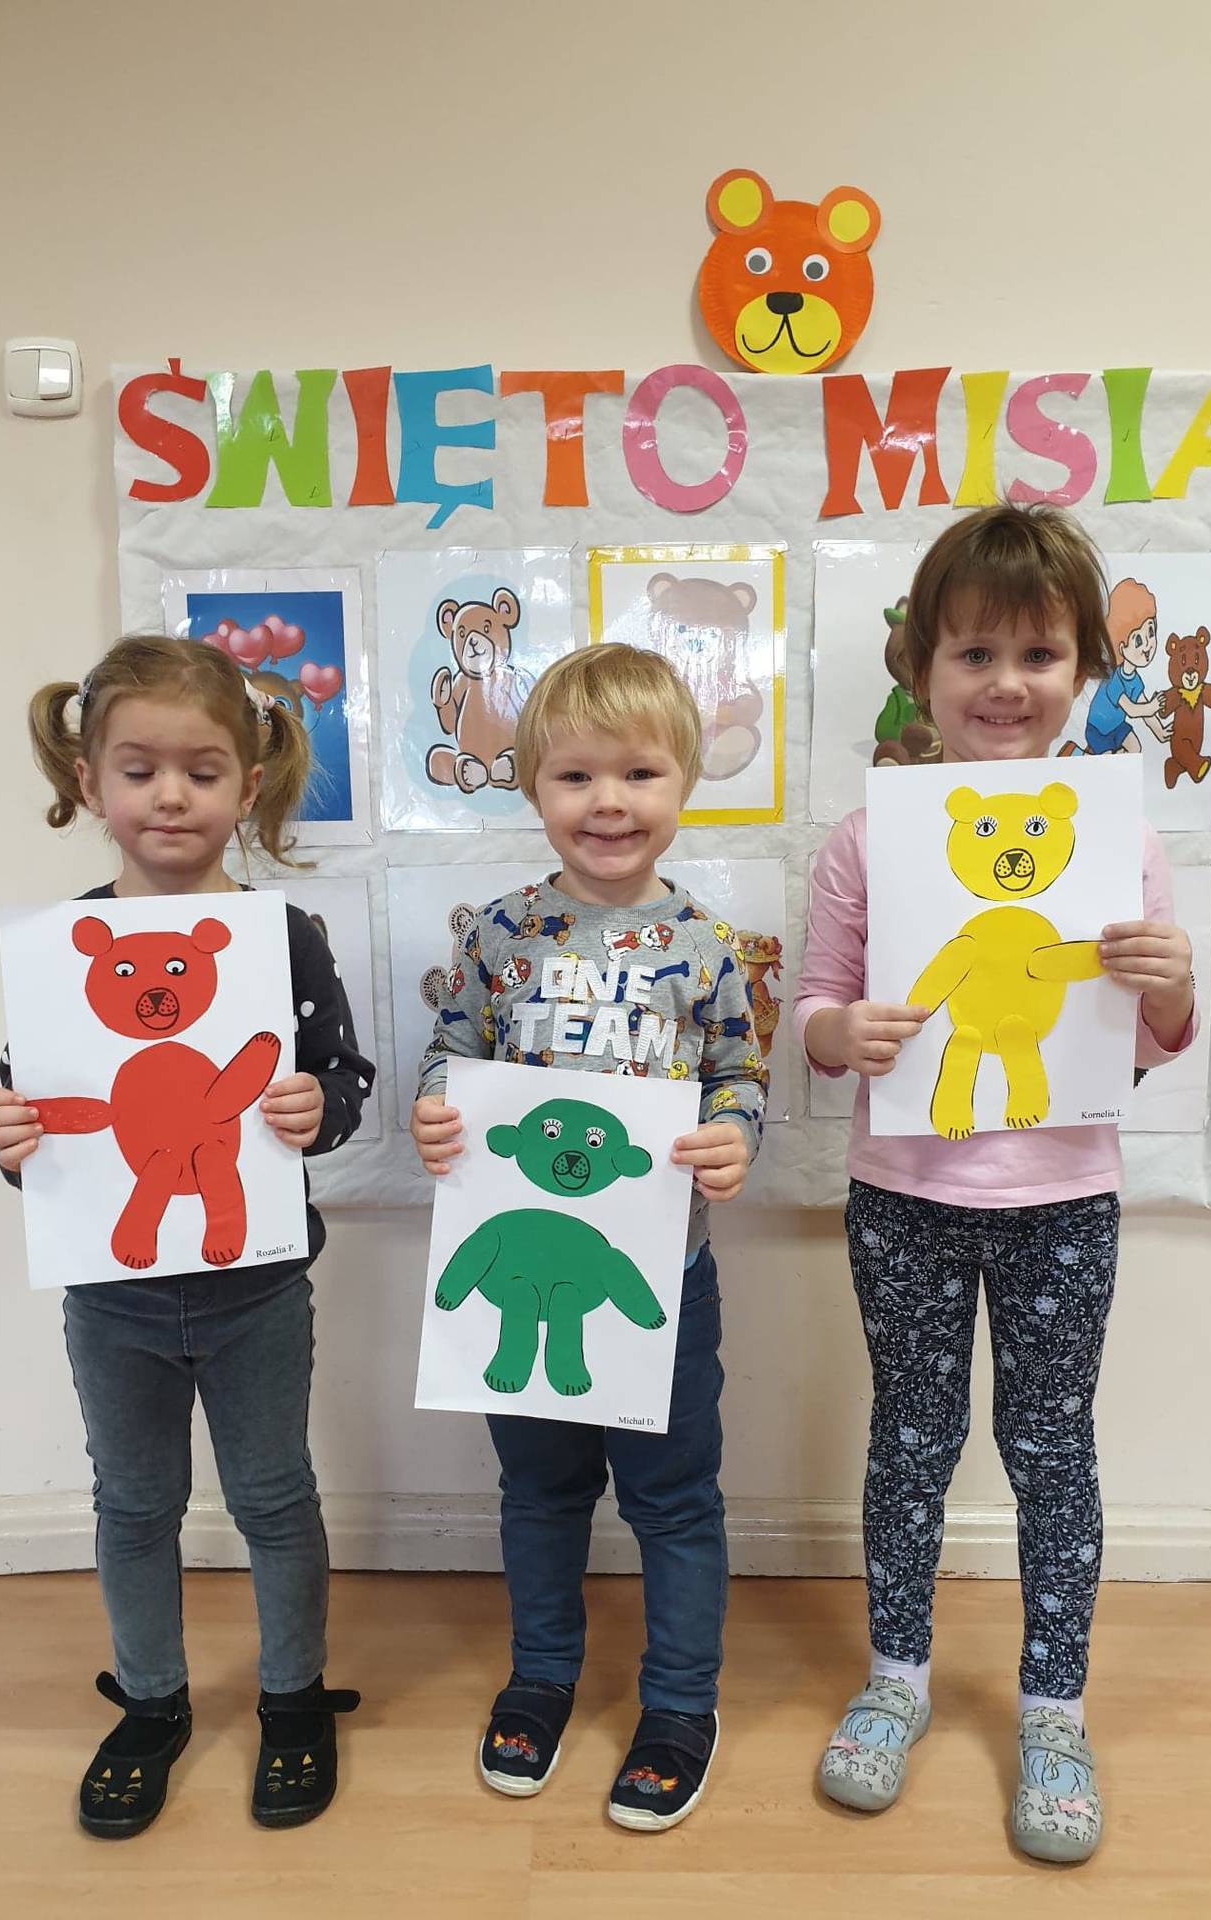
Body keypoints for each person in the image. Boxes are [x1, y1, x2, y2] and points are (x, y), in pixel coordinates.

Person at [796, 506, 1195, 1864]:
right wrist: (837, 1033)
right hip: (902, 1192)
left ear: (1083, 668)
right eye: (974, 652)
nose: (1006, 682)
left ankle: (1053, 1708)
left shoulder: (1119, 841)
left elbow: (1146, 1042)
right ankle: (896, 1677)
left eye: (1038, 653)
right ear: (920, 667)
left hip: (1062, 1195)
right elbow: (816, 1009)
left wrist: (1170, 986)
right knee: (911, 1437)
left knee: (1050, 1448)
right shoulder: (866, 840)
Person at [0, 636, 374, 1838]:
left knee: (273, 1496)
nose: (169, 796)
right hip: (113, 1296)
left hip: (257, 1287)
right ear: (89, 781)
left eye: (201, 772)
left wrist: (314, 1109)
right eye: (139, 769)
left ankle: (292, 1697)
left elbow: (344, 1079)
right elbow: (41, 1115)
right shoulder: (59, 951)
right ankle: (151, 1701)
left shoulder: (281, 937)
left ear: (245, 787)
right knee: (135, 1504)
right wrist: (15, 1139)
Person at [410, 643, 767, 1832]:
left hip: (661, 1278)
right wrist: (435, 1113)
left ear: (683, 784)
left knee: (674, 1500)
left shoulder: (708, 945)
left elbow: (738, 1076)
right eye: (574, 777)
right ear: (531, 786)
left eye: (638, 773)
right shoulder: (496, 934)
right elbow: (449, 1056)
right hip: (519, 1277)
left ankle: (679, 1702)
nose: (607, 801)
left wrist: (733, 1137)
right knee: (540, 1491)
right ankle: (542, 1677)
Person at [1061, 575, 1170, 755]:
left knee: (1136, 749)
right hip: (1099, 730)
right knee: (1106, 760)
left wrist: (1161, 732)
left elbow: (1145, 711)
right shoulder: (1113, 679)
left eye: (1151, 632)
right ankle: (1075, 753)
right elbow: (1132, 710)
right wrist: (1152, 706)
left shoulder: (1135, 681)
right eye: (1138, 640)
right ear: (1121, 647)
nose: (1147, 645)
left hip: (1118, 727)